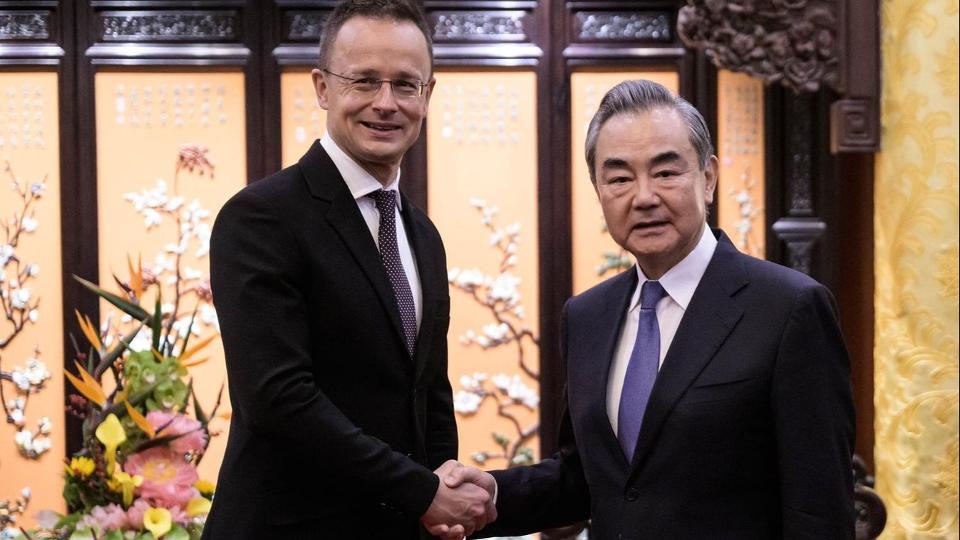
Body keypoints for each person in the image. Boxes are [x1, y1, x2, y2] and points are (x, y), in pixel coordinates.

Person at [447, 79, 855, 539]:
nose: (643, 197)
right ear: (599, 191)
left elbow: (820, 509)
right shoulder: (587, 316)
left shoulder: (788, 308)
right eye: (620, 178)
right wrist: (493, 494)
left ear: (708, 178)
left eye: (665, 172)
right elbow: (589, 478)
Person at [204, 1, 495, 538]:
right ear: (322, 87)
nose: (386, 103)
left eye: (405, 84)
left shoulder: (422, 233)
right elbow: (278, 399)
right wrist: (421, 492)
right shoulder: (261, 218)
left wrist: (444, 492)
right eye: (364, 81)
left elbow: (428, 391)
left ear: (428, 95)